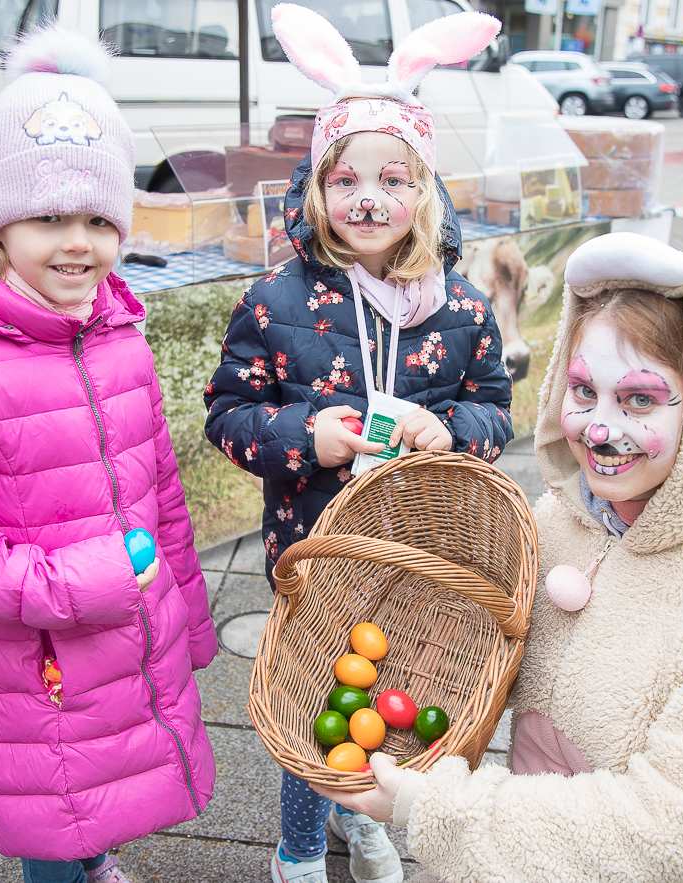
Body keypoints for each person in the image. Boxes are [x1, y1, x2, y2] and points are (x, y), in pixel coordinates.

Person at [318, 232, 683, 882]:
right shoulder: (559, 522)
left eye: (639, 398)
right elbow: (471, 637)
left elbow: (672, 823)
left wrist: (439, 805)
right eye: (583, 392)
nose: (600, 430)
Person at [0, 27, 216, 883]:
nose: (79, 243)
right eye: (49, 217)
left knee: (102, 792)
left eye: (100, 219)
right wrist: (68, 587)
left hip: (131, 629)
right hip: (33, 661)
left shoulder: (121, 340)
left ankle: (95, 864)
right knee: (52, 810)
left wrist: (187, 609)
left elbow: (159, 490)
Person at [203, 6, 511, 882]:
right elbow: (226, 414)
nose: (368, 197)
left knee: (384, 698)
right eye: (345, 179)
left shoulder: (461, 310)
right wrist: (305, 435)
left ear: (425, 191)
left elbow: (497, 410)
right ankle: (299, 845)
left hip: (416, 549)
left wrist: (449, 429)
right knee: (315, 703)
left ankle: (362, 817)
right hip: (311, 546)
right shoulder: (277, 298)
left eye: (392, 177)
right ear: (316, 190)